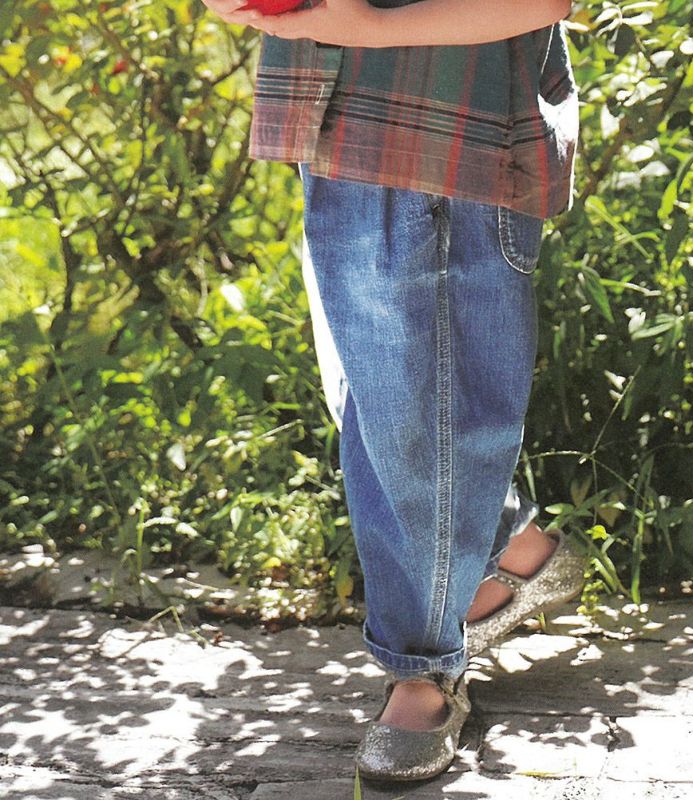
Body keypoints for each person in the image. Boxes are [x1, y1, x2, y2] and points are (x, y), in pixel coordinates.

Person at [201, 0, 587, 782]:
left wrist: (367, 29)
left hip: (450, 125)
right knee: (383, 405)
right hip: (337, 119)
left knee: (420, 417)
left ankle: (423, 668)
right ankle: (515, 552)